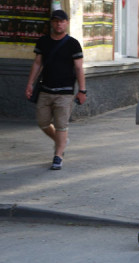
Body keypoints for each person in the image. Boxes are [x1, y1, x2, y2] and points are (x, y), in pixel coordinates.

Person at [25, 10, 86, 170]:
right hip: (45, 90)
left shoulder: (73, 44)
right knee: (43, 122)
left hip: (65, 93)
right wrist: (30, 84)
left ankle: (58, 155)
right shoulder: (43, 42)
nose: (59, 24)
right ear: (52, 23)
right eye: (56, 21)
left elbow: (79, 68)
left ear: (66, 23)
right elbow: (37, 63)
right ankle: (62, 142)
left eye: (62, 21)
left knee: (61, 125)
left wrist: (82, 90)